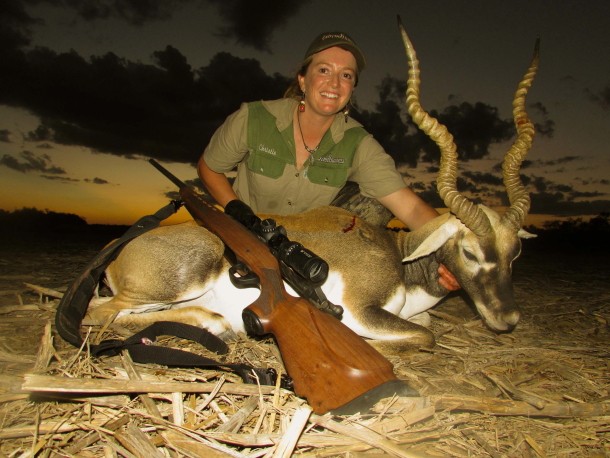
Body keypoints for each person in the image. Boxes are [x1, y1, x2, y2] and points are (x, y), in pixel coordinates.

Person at [197, 31, 459, 291]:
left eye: (346, 75)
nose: (335, 84)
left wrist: (454, 255)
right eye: (324, 70)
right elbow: (209, 168)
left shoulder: (357, 141)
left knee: (375, 206)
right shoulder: (254, 118)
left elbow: (411, 208)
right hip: (246, 236)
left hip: (309, 250)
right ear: (302, 79)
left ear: (351, 88)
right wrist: (240, 214)